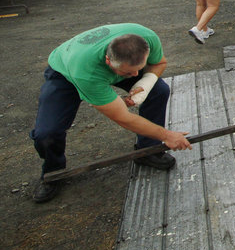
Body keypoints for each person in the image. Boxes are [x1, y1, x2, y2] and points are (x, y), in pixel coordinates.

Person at [29, 24, 192, 203]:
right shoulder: (88, 73)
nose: (135, 74)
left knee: (158, 90)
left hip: (96, 63)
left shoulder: (147, 38)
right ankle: (54, 172)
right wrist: (167, 135)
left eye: (139, 68)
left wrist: (143, 85)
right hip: (66, 72)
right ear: (108, 62)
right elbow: (122, 117)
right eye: (128, 73)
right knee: (47, 133)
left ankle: (148, 150)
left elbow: (159, 63)